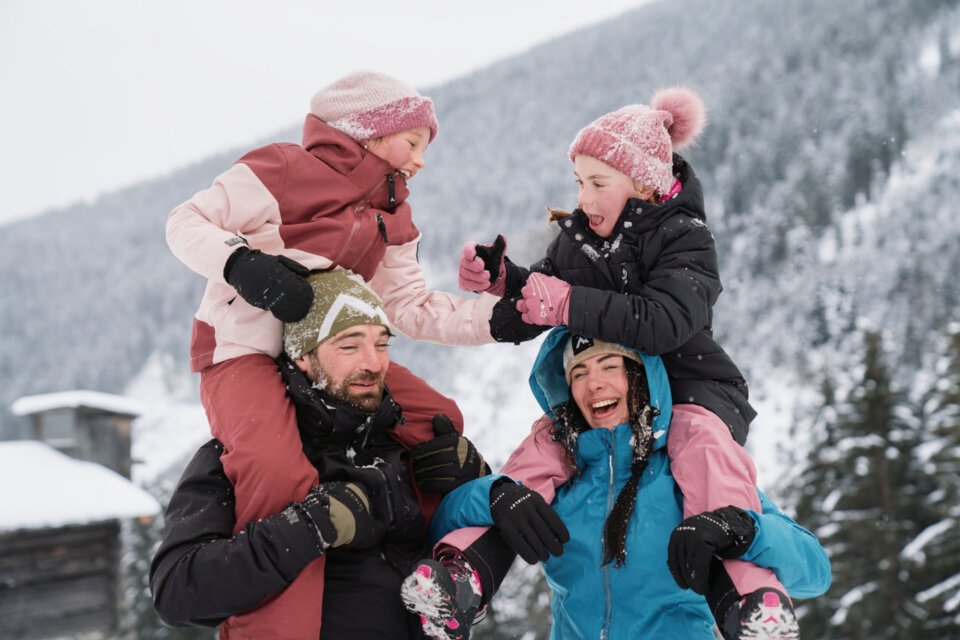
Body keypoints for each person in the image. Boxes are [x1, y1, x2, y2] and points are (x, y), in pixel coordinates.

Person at [165, 71, 500, 637]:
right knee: (276, 470)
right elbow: (185, 221)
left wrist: (503, 319)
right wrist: (242, 265)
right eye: (413, 143)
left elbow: (408, 306)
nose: (421, 161)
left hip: (336, 352)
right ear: (367, 131)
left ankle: (439, 577)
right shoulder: (283, 169)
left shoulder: (394, 211)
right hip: (243, 350)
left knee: (440, 420)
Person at [457, 87, 791, 621]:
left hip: (690, 387)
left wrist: (567, 302)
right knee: (543, 452)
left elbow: (663, 323)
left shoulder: (686, 237)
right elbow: (541, 297)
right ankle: (461, 576)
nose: (584, 199)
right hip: (608, 392)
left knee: (704, 454)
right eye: (578, 183)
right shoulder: (580, 240)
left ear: (643, 184)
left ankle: (750, 604)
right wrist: (502, 282)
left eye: (597, 183)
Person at [408, 328, 831, 639]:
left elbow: (814, 570)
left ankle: (752, 615)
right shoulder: (558, 465)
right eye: (579, 373)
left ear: (641, 377)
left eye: (611, 366)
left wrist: (744, 530)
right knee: (508, 508)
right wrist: (495, 495)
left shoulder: (688, 467)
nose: (594, 384)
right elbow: (448, 520)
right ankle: (458, 595)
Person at [150, 270, 496, 638]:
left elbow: (461, 575)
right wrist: (307, 527)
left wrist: (474, 483)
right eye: (349, 345)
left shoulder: (407, 443)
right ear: (303, 357)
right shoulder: (242, 456)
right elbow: (176, 592)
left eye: (381, 344)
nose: (374, 362)